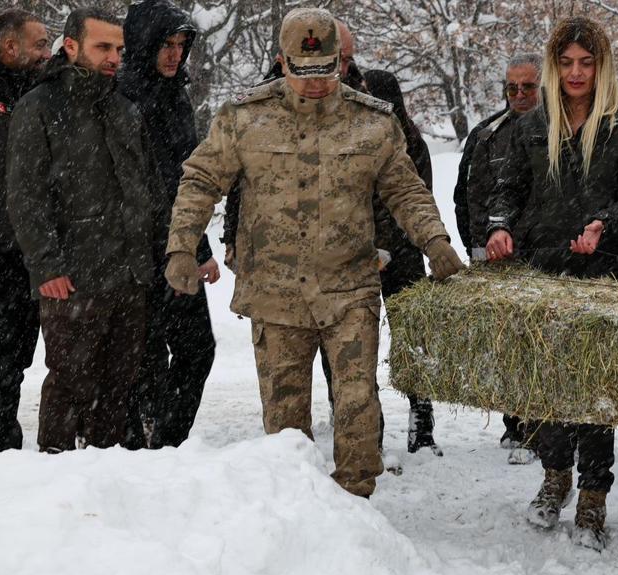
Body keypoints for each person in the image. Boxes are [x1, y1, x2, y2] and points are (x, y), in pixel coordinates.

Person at [164, 8, 464, 498]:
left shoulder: (372, 123)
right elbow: (200, 180)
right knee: (284, 425)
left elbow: (405, 191)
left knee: (357, 407)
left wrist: (435, 240)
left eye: (325, 69)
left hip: (349, 288)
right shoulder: (245, 120)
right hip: (275, 296)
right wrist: (181, 246)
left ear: (341, 63)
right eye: (303, 72)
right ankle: (298, 515)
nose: (316, 82)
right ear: (283, 63)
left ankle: (356, 504)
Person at [487, 16, 618, 549]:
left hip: (604, 273)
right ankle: (555, 476)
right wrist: (501, 228)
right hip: (545, 268)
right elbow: (507, 187)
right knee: (549, 382)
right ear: (554, 65)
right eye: (566, 62)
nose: (576, 72)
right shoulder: (535, 124)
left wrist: (605, 223)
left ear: (601, 66)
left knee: (595, 386)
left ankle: (594, 496)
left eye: (586, 62)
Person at [7, 7, 167, 453]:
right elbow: (25, 196)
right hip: (72, 279)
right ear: (71, 46)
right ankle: (58, 484)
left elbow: (149, 191)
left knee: (117, 392)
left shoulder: (124, 109)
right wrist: (46, 266)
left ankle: (106, 486)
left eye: (118, 48)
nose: (114, 56)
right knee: (70, 388)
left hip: (129, 276)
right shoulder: (39, 106)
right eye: (103, 47)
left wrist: (162, 255)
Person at [119, 0, 219, 449]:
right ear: (143, 44)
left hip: (177, 244)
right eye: (166, 44)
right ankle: (137, 448)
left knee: (198, 349)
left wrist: (198, 249)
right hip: (131, 250)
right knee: (143, 357)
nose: (175, 54)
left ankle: (168, 443)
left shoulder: (178, 95)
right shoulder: (120, 96)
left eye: (181, 45)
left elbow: (188, 177)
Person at [453, 53, 542, 460]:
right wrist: (475, 243)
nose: (520, 94)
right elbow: (466, 195)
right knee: (509, 345)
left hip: (545, 254)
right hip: (496, 256)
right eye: (512, 87)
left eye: (528, 87)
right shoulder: (486, 134)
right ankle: (516, 425)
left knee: (545, 343)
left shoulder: (559, 127)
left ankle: (551, 429)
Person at [359, 68, 441, 456]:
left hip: (403, 254)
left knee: (412, 341)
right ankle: (362, 424)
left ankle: (421, 423)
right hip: (359, 254)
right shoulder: (355, 136)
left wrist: (390, 247)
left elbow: (413, 197)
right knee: (357, 344)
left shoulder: (411, 143)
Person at [0, 8, 50, 451]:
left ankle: (5, 441)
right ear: (9, 46)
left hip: (24, 254)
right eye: (39, 45)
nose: (46, 54)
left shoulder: (40, 93)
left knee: (15, 357)